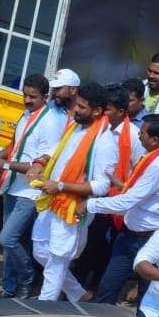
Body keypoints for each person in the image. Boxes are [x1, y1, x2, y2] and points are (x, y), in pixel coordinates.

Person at [27, 83, 117, 302]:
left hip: (72, 209)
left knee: (57, 262)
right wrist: (40, 162)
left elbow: (102, 186)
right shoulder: (75, 127)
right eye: (77, 105)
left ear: (97, 111)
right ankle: (79, 293)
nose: (76, 110)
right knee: (40, 250)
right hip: (52, 200)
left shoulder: (104, 142)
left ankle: (43, 311)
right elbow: (58, 150)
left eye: (83, 108)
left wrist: (60, 186)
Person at [0, 73, 66, 299]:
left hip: (31, 190)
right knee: (12, 243)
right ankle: (9, 288)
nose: (27, 100)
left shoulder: (50, 122)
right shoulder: (28, 114)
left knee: (7, 238)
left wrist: (5, 163)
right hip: (13, 186)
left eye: (33, 97)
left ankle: (28, 278)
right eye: (25, 95)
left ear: (45, 96)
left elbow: (41, 163)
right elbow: (16, 144)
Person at [82, 114, 159, 305]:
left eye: (142, 133)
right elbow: (138, 193)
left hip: (150, 238)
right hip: (130, 235)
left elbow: (128, 202)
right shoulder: (152, 157)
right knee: (108, 287)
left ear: (154, 139)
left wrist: (91, 205)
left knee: (146, 297)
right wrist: (120, 184)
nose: (139, 136)